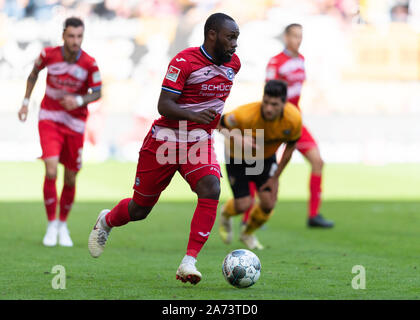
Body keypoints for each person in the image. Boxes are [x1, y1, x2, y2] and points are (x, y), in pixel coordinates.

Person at [88, 13, 241, 285]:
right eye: (231, 37)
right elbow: (164, 105)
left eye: (237, 38)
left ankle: (189, 262)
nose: (235, 44)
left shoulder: (234, 65)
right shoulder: (184, 62)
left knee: (211, 187)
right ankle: (107, 221)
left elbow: (213, 102)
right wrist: (196, 116)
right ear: (212, 35)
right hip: (165, 140)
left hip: (198, 140)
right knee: (140, 210)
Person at [18, 17, 102, 247]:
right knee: (52, 168)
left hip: (75, 123)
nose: (75, 41)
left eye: (79, 37)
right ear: (63, 35)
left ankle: (63, 224)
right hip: (50, 118)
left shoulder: (89, 63)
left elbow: (97, 92)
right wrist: (26, 101)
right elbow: (33, 74)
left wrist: (78, 99)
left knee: (71, 175)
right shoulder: (48, 55)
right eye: (71, 36)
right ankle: (51, 223)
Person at [218, 80, 302, 250]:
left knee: (268, 203)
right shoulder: (244, 114)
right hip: (237, 157)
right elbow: (219, 124)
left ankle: (247, 233)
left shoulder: (293, 119)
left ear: (284, 104)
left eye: (274, 104)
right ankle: (225, 213)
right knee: (243, 205)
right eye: (266, 102)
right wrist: (239, 139)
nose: (269, 108)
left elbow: (290, 148)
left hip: (265, 159)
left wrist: (276, 178)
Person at [265, 23, 334, 228]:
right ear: (286, 37)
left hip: (296, 120)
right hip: (278, 121)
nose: (298, 39)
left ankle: (313, 215)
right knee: (263, 166)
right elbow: (268, 93)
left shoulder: (301, 60)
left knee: (318, 161)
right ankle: (250, 215)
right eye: (295, 35)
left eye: (300, 36)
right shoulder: (276, 62)